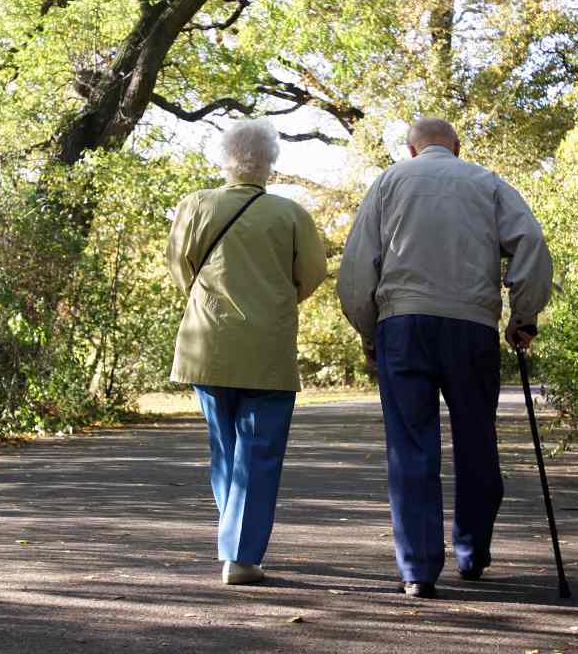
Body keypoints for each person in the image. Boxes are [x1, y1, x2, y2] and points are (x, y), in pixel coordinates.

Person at [337, 117, 553, 599]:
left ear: (412, 151)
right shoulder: (487, 182)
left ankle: (418, 569)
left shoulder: (390, 181)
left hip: (403, 325)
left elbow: (358, 263)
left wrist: (368, 328)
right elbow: (531, 245)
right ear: (456, 147)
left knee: (410, 446)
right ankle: (472, 552)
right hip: (471, 326)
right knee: (476, 437)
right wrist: (524, 315)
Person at [167, 118, 327, 586]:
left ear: (225, 160)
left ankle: (234, 539)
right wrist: (277, 299)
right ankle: (239, 553)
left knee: (224, 449)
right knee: (258, 451)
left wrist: (203, 300)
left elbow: (180, 267)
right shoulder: (290, 214)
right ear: (270, 164)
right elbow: (313, 273)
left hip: (208, 344)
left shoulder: (196, 205)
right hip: (268, 347)